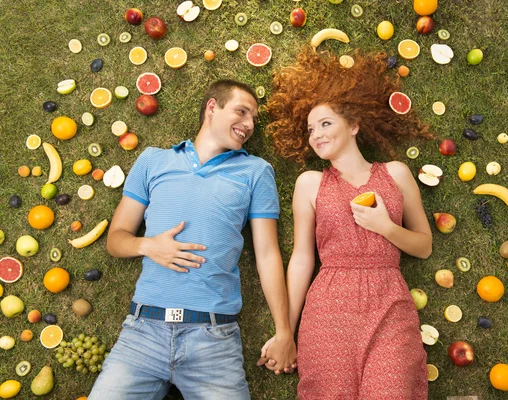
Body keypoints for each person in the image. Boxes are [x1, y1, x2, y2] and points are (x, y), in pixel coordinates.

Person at [89, 80, 296, 400]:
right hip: (142, 334)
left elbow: (267, 254)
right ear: (212, 108)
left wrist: (284, 332)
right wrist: (147, 245)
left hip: (213, 339)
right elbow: (116, 240)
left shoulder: (256, 171)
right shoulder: (153, 160)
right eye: (242, 112)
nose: (249, 125)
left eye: (254, 119)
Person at [258, 49, 434, 399]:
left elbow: (424, 246)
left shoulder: (396, 174)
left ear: (353, 125)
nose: (316, 135)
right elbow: (303, 260)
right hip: (328, 309)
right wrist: (285, 332)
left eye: (325, 124)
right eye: (310, 129)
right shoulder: (309, 183)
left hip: (389, 304)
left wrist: (386, 227)